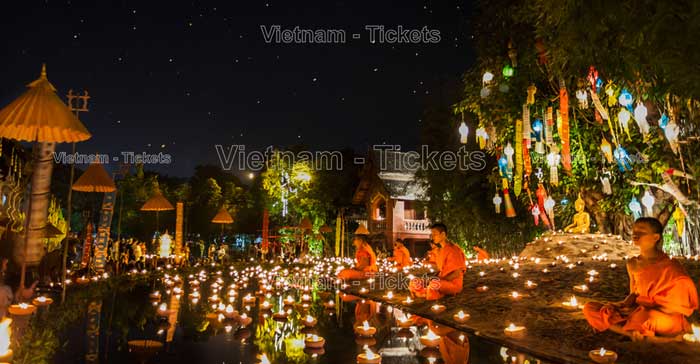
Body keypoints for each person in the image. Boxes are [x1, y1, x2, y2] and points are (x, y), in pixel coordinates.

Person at [583, 217, 698, 341]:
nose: (635, 235)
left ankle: (641, 333)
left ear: (656, 237)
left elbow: (676, 308)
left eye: (641, 232)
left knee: (645, 317)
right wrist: (623, 305)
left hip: (662, 316)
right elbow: (634, 293)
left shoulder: (670, 266)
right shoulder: (632, 263)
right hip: (637, 310)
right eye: (634, 232)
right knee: (590, 308)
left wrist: (646, 309)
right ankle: (635, 334)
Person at [410, 223, 466, 300]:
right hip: (440, 281)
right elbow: (441, 270)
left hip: (452, 283)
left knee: (433, 284)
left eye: (434, 234)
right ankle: (428, 292)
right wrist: (431, 279)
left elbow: (457, 273)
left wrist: (437, 280)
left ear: (443, 234)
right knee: (414, 281)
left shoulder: (454, 250)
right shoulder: (440, 250)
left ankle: (428, 293)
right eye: (431, 235)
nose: (432, 237)